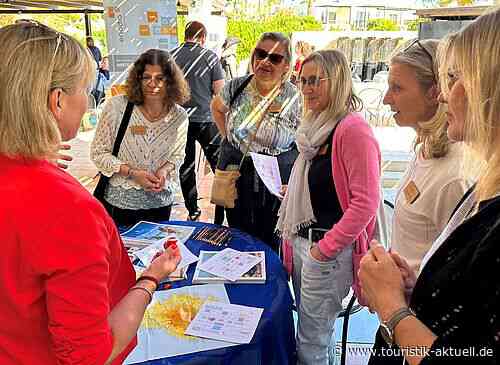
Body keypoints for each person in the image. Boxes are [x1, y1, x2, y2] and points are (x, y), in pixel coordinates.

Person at [0, 22, 181, 365]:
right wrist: (150, 279)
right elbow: (89, 356)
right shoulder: (68, 209)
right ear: (57, 101)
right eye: (85, 88)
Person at [360, 8, 500, 365]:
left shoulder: (460, 175)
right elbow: (467, 293)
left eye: (454, 77)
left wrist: (392, 308)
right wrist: (415, 284)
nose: (443, 96)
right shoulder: (482, 185)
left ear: (488, 88)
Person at [367, 38, 471, 365]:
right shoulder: (426, 147)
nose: (386, 98)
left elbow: (459, 282)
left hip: (418, 334)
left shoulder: (456, 173)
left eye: (397, 87)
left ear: (434, 92)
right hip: (400, 315)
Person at [276, 49, 381, 365]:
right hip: (305, 245)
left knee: (311, 342)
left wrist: (325, 249)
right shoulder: (315, 125)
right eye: (302, 81)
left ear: (336, 81)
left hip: (327, 253)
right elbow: (326, 184)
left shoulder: (352, 130)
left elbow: (365, 203)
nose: (306, 88)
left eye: (314, 81)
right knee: (317, 334)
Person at [211, 32, 301, 252]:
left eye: (274, 58)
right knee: (238, 236)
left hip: (276, 179)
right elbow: (217, 108)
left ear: (286, 64)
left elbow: (303, 137)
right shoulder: (236, 87)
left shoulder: (294, 96)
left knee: (272, 239)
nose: (265, 62)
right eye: (260, 54)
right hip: (239, 174)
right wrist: (228, 138)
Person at [91, 48, 189, 228]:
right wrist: (133, 174)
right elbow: (98, 153)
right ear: (138, 78)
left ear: (171, 81)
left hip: (160, 204)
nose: (152, 83)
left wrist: (164, 171)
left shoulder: (179, 116)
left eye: (160, 78)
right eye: (146, 77)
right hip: (120, 204)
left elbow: (178, 156)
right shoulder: (117, 107)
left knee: (157, 254)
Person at [171, 21, 225, 223]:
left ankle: (193, 210)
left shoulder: (171, 57)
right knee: (219, 167)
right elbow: (220, 92)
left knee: (186, 166)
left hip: (180, 121)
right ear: (202, 37)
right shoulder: (210, 57)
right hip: (206, 120)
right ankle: (220, 215)